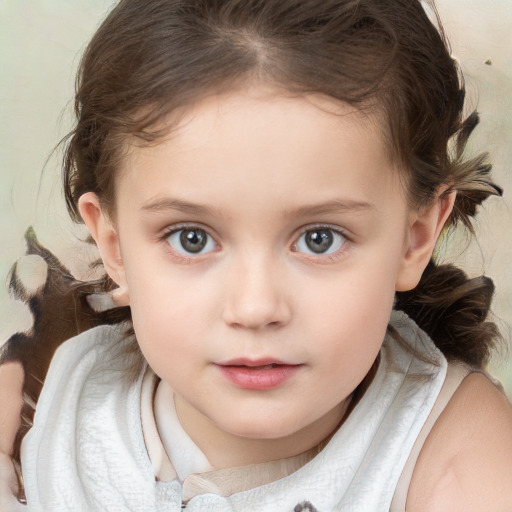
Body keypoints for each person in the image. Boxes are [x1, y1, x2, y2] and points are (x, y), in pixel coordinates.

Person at [1, 0, 512, 510]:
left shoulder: (456, 449)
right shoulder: (50, 386)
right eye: (191, 238)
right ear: (115, 246)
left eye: (320, 238)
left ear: (415, 236)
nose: (255, 308)